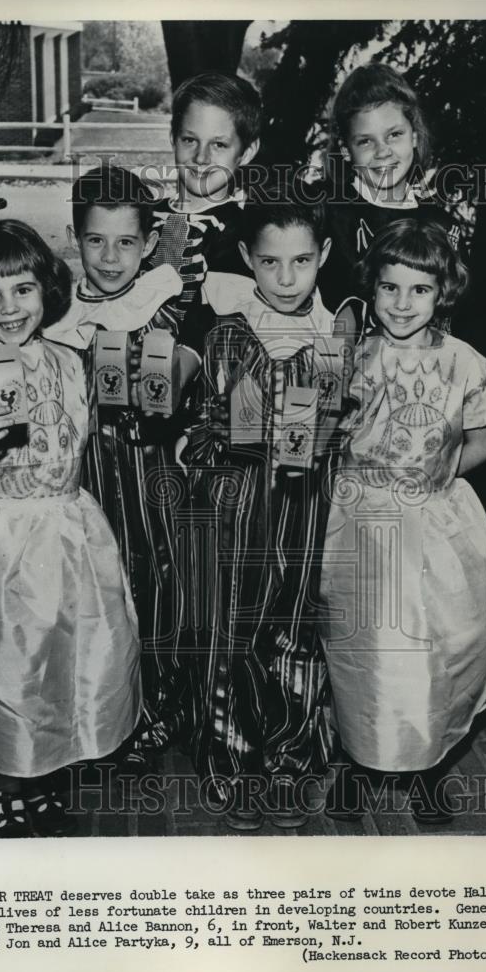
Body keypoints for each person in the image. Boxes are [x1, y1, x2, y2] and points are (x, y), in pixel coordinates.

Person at [0, 219, 141, 838]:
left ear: (46, 292)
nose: (8, 308)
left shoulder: (68, 361)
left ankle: (52, 767)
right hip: (4, 542)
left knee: (75, 653)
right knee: (10, 666)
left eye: (22, 290)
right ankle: (6, 782)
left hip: (70, 527)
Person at [318, 218, 486, 825]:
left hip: (434, 520)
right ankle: (358, 763)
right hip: (359, 516)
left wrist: (449, 462)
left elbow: (485, 438)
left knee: (445, 646)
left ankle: (428, 765)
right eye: (389, 288)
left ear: (443, 292)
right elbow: (322, 431)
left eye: (419, 290)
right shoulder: (350, 353)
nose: (402, 304)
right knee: (366, 651)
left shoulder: (462, 362)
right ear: (372, 289)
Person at [181, 194, 345, 830]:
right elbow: (192, 422)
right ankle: (230, 759)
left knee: (295, 628)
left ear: (323, 258)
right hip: (234, 506)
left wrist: (319, 434)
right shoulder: (225, 332)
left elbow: (334, 424)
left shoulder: (333, 339)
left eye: (301, 261)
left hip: (302, 508)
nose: (285, 278)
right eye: (270, 262)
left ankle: (291, 761)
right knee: (232, 630)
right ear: (248, 258)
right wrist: (215, 431)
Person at [45, 165, 198, 774]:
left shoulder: (165, 296)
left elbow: (193, 364)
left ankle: (159, 706)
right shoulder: (57, 312)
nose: (110, 257)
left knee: (155, 579)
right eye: (96, 241)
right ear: (74, 238)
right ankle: (99, 712)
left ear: (148, 242)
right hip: (84, 476)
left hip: (148, 463)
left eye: (127, 242)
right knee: (95, 589)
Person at [318, 61, 466, 321]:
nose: (383, 151)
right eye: (365, 141)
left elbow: (460, 319)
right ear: (345, 150)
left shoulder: (442, 227)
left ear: (415, 136)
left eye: (394, 134)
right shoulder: (326, 214)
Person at [142, 71, 262, 325]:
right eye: (190, 140)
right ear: (173, 139)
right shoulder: (142, 216)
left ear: (247, 152)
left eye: (218, 145)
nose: (201, 158)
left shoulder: (245, 233)